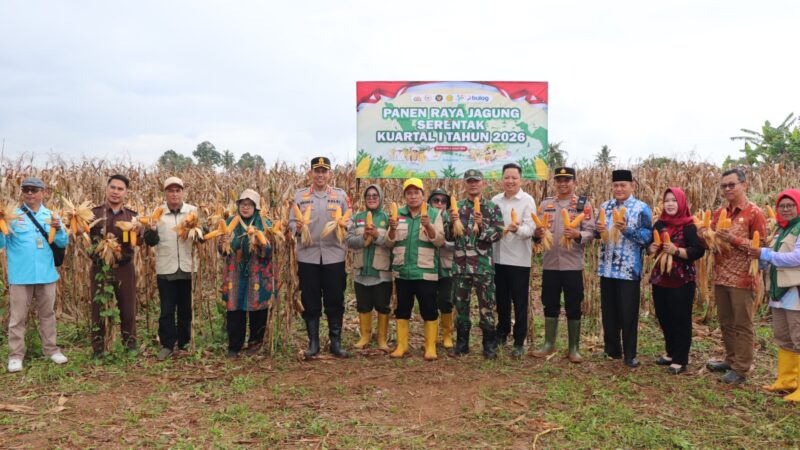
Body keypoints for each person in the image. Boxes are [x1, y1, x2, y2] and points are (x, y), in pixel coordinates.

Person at [699, 168, 767, 384]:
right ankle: (730, 359)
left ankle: (742, 368)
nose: (727, 189)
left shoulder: (754, 213)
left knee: (742, 324)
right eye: (724, 185)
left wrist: (734, 240)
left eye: (732, 184)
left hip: (743, 279)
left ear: (744, 185)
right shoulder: (720, 213)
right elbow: (709, 244)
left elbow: (763, 246)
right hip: (721, 276)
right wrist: (703, 235)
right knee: (726, 322)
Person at [2, 177, 69, 373]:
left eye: (34, 190)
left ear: (43, 192)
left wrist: (57, 229)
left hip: (46, 274)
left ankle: (51, 350)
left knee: (47, 315)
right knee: (17, 318)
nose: (29, 193)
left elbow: (62, 243)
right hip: (21, 275)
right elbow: (1, 244)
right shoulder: (11, 216)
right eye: (26, 190)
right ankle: (15, 355)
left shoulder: (51, 215)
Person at [289, 157, 351, 358]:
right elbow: (290, 223)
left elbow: (350, 221)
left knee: (335, 299)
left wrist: (344, 226)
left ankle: (335, 341)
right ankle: (313, 342)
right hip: (308, 256)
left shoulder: (340, 196)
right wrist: (296, 228)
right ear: (311, 173)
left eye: (324, 171)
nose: (320, 175)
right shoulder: (300, 196)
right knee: (310, 300)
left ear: (330, 174)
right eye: (317, 171)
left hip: (334, 256)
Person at [532, 167, 596, 363]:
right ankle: (548, 344)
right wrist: (537, 234)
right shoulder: (545, 205)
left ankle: (573, 348)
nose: (563, 183)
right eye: (559, 180)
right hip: (550, 264)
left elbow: (591, 232)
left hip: (572, 265)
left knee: (573, 305)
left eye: (567, 180)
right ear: (555, 183)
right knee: (549, 304)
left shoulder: (583, 205)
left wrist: (578, 235)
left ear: (574, 182)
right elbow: (537, 234)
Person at [596, 169, 652, 368]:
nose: (619, 189)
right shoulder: (605, 206)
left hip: (628, 270)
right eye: (616, 185)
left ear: (632, 186)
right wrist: (599, 231)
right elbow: (597, 231)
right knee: (609, 312)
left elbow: (647, 237)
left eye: (623, 185)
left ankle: (630, 354)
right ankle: (612, 350)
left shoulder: (641, 208)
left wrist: (626, 229)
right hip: (607, 268)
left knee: (628, 313)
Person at [446, 169, 504, 359]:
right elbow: (449, 237)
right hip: (461, 266)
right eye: (469, 181)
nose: (473, 184)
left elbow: (498, 234)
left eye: (476, 181)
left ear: (482, 183)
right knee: (461, 306)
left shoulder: (492, 208)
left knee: (486, 306)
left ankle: (489, 344)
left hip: (483, 267)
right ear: (465, 183)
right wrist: (450, 224)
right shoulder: (457, 208)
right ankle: (462, 343)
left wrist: (482, 226)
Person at [386, 178, 445, 360]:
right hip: (403, 271)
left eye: (416, 193)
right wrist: (393, 230)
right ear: (405, 196)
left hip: (425, 271)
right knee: (402, 309)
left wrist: (428, 226)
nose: (413, 196)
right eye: (409, 193)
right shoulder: (398, 214)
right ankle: (402, 345)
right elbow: (389, 242)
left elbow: (439, 241)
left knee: (429, 308)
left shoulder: (434, 214)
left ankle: (430, 347)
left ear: (422, 194)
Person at [647, 188, 705, 374]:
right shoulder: (659, 224)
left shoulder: (689, 226)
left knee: (680, 319)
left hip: (682, 280)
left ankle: (681, 359)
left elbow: (698, 251)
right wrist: (651, 248)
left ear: (681, 203)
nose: (670, 204)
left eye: (674, 200)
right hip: (661, 278)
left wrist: (676, 251)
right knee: (664, 317)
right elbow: (649, 248)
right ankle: (671, 352)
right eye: (667, 201)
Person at [143, 177, 200, 361]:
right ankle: (167, 344)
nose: (174, 194)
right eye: (170, 191)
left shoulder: (193, 211)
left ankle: (184, 343)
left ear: (183, 192)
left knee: (186, 308)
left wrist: (196, 228)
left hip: (188, 267)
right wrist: (151, 230)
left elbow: (202, 236)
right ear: (165, 193)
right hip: (165, 268)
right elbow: (150, 242)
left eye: (178, 190)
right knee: (167, 309)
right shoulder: (157, 214)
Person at [752, 189, 800, 400]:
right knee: (783, 337)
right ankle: (786, 380)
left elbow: (796, 258)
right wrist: (762, 259)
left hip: (795, 291)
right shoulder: (780, 231)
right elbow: (773, 257)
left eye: (791, 205)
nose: (786, 209)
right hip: (779, 293)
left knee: (798, 337)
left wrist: (765, 253)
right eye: (782, 206)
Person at [219, 189, 275, 358]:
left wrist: (259, 242)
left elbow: (271, 250)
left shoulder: (265, 223)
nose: (245, 207)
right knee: (235, 309)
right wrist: (224, 244)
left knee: (258, 308)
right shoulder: (230, 221)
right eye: (242, 204)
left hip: (258, 272)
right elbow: (222, 251)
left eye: (249, 204)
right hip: (235, 272)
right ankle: (234, 345)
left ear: (256, 207)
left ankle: (255, 343)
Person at [89, 174, 139, 358]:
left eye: (120, 189)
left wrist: (143, 230)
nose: (116, 192)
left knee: (127, 308)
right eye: (113, 187)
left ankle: (130, 346)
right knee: (98, 309)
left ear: (126, 193)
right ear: (107, 188)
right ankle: (98, 349)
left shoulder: (132, 217)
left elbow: (140, 241)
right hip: (100, 268)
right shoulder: (93, 214)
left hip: (124, 268)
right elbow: (81, 234)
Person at [491, 163, 537, 358]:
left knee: (519, 302)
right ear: (502, 179)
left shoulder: (527, 201)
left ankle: (519, 340)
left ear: (521, 180)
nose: (510, 181)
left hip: (519, 260)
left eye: (514, 178)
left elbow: (530, 230)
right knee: (501, 300)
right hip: (498, 257)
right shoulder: (495, 200)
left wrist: (516, 229)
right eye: (507, 177)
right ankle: (502, 333)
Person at [346, 184, 392, 351]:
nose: (371, 198)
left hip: (381, 271)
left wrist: (377, 236)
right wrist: (363, 236)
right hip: (361, 270)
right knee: (363, 306)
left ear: (380, 197)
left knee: (382, 306)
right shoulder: (357, 217)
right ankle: (365, 336)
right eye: (368, 196)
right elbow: (348, 240)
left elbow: (392, 243)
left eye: (375, 195)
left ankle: (381, 339)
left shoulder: (388, 218)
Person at [428, 188, 455, 349]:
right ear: (429, 203)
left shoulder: (453, 221)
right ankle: (433, 335)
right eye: (435, 200)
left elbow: (460, 245)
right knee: (429, 302)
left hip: (446, 266)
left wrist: (444, 243)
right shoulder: (425, 218)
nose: (439, 204)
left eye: (443, 201)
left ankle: (447, 334)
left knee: (445, 301)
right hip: (427, 267)